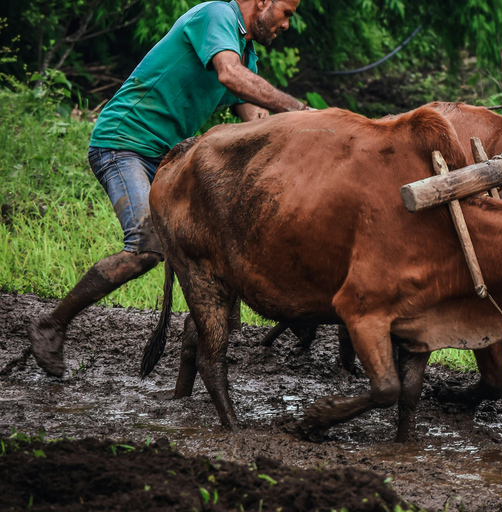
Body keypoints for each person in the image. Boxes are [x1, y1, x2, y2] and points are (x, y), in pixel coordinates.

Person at [29, 0, 309, 377]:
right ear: (262, 2)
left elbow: (254, 122)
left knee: (212, 240)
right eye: (287, 12)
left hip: (166, 161)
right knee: (146, 248)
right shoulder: (216, 15)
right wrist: (297, 109)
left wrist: (304, 138)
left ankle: (203, 344)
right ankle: (53, 323)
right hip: (122, 143)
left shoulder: (247, 54)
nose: (287, 24)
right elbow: (229, 76)